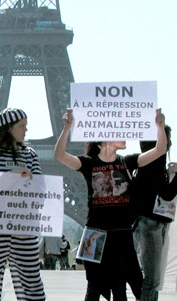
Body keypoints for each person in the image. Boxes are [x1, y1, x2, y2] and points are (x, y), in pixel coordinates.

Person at [54, 108, 167, 301]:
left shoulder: (127, 161)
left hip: (121, 234)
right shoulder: (88, 163)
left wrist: (160, 127)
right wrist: (67, 128)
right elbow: (59, 155)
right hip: (93, 234)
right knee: (93, 289)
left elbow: (160, 150)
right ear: (104, 140)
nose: (124, 136)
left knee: (121, 290)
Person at [0, 108, 45, 300]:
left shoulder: (30, 154)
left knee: (31, 280)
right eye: (22, 126)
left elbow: (41, 189)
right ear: (9, 128)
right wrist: (11, 176)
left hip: (23, 224)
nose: (26, 130)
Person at [132, 125, 177, 301]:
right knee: (152, 279)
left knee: (153, 279)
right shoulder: (154, 164)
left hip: (150, 223)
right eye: (167, 138)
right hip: (151, 224)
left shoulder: (146, 163)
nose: (170, 142)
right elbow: (166, 194)